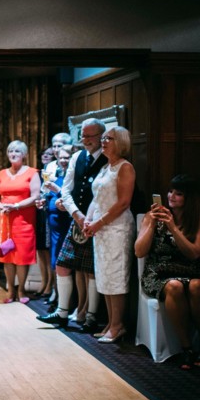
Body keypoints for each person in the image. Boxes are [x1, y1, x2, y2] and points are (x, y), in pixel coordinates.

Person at [37, 118, 108, 330]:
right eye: (83, 136)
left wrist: (90, 218)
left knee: (92, 270)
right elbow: (66, 190)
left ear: (101, 136)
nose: (85, 140)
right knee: (62, 264)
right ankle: (62, 312)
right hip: (77, 220)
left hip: (98, 223)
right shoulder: (77, 157)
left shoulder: (108, 159)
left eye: (89, 136)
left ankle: (92, 316)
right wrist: (76, 214)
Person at [135, 174, 200, 369]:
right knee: (175, 286)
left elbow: (194, 253)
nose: (171, 196)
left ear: (189, 199)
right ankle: (187, 348)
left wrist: (173, 228)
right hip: (159, 273)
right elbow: (139, 251)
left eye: (179, 194)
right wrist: (152, 224)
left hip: (189, 270)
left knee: (197, 286)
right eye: (170, 191)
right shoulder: (151, 218)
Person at [83, 126, 136, 343]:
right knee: (104, 277)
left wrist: (99, 222)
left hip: (117, 229)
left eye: (109, 138)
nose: (104, 141)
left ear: (121, 142)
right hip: (101, 229)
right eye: (103, 138)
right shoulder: (106, 167)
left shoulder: (125, 167)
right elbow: (97, 199)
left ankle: (118, 325)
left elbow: (123, 202)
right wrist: (88, 220)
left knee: (116, 277)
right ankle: (110, 323)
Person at [0, 140, 40, 304]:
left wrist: (16, 206)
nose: (13, 154)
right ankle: (10, 289)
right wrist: (1, 206)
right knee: (7, 255)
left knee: (22, 255)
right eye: (10, 150)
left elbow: (35, 196)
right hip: (6, 220)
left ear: (24, 155)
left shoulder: (32, 172)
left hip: (24, 220)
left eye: (17, 151)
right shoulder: (1, 174)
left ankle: (21, 289)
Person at [40, 145, 73, 305]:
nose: (63, 160)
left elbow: (70, 197)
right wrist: (43, 201)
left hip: (66, 223)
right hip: (53, 225)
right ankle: (56, 293)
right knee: (54, 260)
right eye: (60, 158)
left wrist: (57, 190)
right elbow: (50, 195)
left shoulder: (72, 176)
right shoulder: (57, 174)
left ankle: (65, 302)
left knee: (63, 261)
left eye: (66, 157)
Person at [34, 146, 55, 298]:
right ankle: (43, 281)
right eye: (44, 154)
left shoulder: (53, 172)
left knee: (48, 251)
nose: (45, 156)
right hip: (38, 213)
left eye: (49, 154)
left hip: (48, 212)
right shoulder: (38, 173)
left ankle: (50, 284)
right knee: (40, 250)